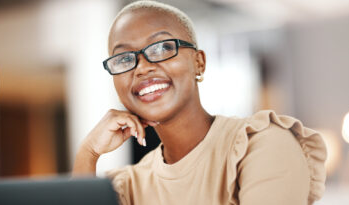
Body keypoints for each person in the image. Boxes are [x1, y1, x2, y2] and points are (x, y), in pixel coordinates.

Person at [72, 1, 327, 204]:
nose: (142, 68)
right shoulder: (127, 188)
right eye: (124, 59)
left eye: (161, 48)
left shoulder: (261, 144)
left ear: (199, 62)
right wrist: (88, 153)